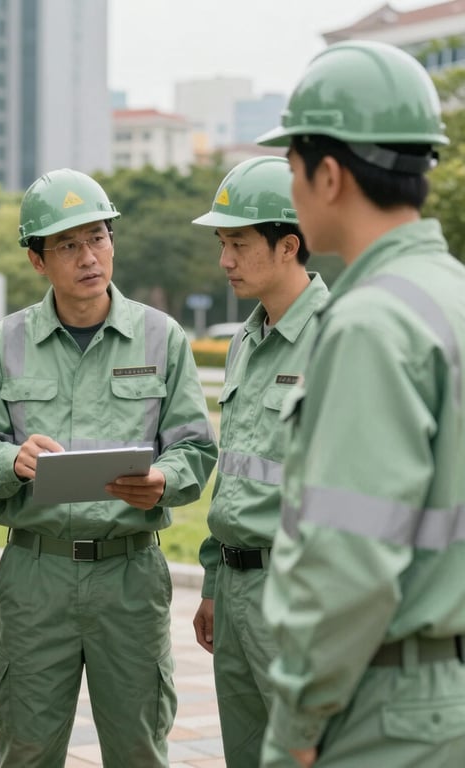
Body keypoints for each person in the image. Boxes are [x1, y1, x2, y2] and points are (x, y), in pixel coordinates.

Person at [0, 167, 217, 767]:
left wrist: (163, 482)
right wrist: (12, 460)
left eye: (98, 237)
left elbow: (195, 450)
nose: (89, 256)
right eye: (68, 245)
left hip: (130, 578)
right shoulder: (4, 344)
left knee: (138, 747)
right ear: (37, 260)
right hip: (35, 576)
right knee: (27, 747)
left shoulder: (161, 337)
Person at [254, 39, 465, 768]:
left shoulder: (372, 322)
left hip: (384, 709)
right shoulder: (451, 296)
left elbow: (349, 556)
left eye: (291, 168)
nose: (292, 187)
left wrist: (296, 725)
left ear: (331, 174)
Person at [190, 156, 328, 767]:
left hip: (297, 596)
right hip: (238, 589)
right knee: (246, 753)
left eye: (238, 243)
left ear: (287, 246)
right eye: (222, 243)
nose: (225, 261)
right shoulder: (247, 338)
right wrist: (215, 584)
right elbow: (236, 475)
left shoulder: (336, 336)